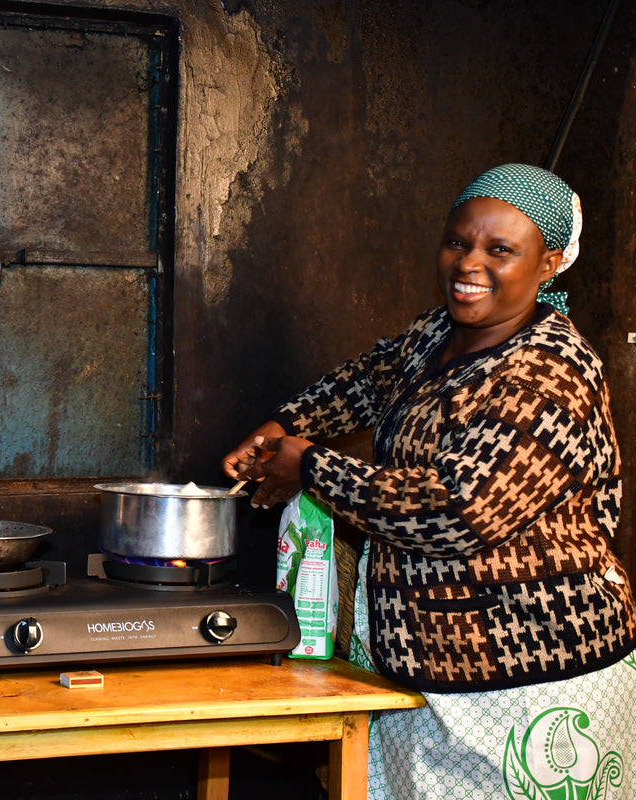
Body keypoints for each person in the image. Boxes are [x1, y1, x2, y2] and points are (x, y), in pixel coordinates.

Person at [223, 164, 636, 798]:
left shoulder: (549, 374)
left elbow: (458, 511)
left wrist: (309, 465)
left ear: (549, 264)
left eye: (500, 250)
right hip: (430, 662)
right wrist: (286, 424)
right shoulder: (440, 331)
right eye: (457, 241)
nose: (469, 263)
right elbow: (371, 378)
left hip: (528, 677)